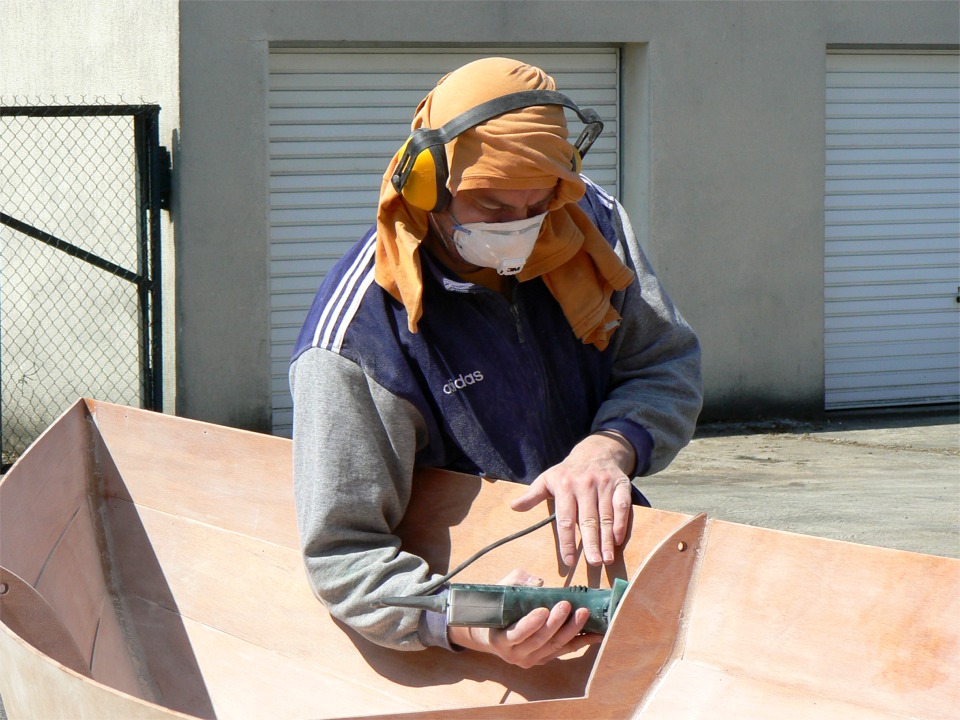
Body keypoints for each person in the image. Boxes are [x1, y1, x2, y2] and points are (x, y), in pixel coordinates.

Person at [290, 57, 702, 668]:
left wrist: (610, 446)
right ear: (428, 186)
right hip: (467, 635)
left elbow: (664, 365)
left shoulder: (591, 228)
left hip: (608, 584)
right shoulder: (361, 336)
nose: (522, 229)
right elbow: (343, 556)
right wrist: (479, 621)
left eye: (536, 205)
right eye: (493, 207)